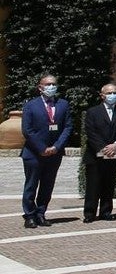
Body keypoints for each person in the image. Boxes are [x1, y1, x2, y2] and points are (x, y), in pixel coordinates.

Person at [21, 75, 73, 228]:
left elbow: (67, 127)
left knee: (47, 185)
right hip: (34, 153)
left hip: (54, 153)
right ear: (40, 88)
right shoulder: (31, 105)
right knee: (31, 185)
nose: (51, 87)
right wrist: (41, 148)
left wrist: (56, 147)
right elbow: (27, 130)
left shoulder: (63, 104)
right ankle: (29, 215)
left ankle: (41, 213)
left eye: (54, 84)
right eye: (48, 84)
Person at [83, 83, 116, 223]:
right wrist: (104, 148)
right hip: (95, 156)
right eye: (109, 93)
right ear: (102, 95)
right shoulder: (93, 112)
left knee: (109, 184)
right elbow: (90, 132)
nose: (113, 95)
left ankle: (106, 211)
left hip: (114, 154)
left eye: (115, 93)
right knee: (93, 185)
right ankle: (89, 213)